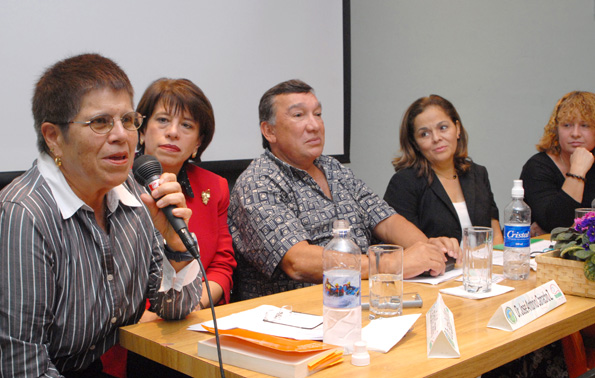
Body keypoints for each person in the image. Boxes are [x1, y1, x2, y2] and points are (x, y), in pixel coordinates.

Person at [0, 54, 202, 377]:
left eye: (128, 120)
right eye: (100, 122)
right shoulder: (26, 214)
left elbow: (175, 308)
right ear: (53, 137)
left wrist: (176, 243)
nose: (121, 135)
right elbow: (23, 367)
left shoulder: (134, 193)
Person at [228, 79, 460, 301]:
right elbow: (297, 262)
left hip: (361, 300)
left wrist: (428, 252)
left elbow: (386, 220)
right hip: (293, 318)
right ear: (269, 131)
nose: (314, 125)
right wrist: (393, 264)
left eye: (318, 114)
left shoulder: (333, 168)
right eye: (299, 115)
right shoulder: (258, 181)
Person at [136, 78, 236, 312]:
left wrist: (194, 305)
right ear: (141, 131)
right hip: (133, 327)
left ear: (198, 143)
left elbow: (222, 264)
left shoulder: (214, 187)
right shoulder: (114, 187)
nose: (172, 133)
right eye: (162, 120)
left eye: (187, 126)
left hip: (193, 317)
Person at [383, 94, 503, 244]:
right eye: (424, 134)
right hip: (439, 267)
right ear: (415, 144)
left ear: (457, 129)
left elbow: (495, 233)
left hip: (483, 265)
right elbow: (402, 246)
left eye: (443, 128)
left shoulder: (478, 174)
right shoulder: (404, 183)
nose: (436, 138)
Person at [520, 91, 595, 235]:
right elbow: (557, 224)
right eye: (567, 125)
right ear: (556, 130)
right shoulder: (537, 166)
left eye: (585, 125)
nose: (575, 133)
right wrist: (578, 170)